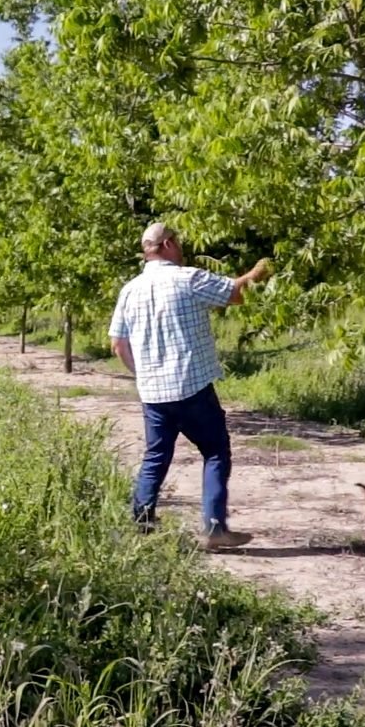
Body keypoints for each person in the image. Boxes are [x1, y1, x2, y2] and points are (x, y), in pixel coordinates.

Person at [108, 222, 273, 549]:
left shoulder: (130, 290)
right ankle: (215, 529)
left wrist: (142, 375)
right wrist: (259, 271)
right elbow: (236, 293)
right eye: (178, 241)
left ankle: (140, 526)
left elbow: (117, 344)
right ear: (168, 243)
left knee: (155, 456)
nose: (181, 247)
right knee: (215, 452)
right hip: (190, 387)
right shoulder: (188, 278)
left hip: (153, 393)